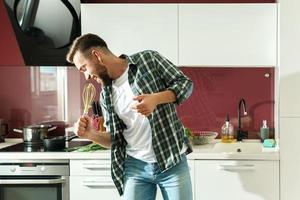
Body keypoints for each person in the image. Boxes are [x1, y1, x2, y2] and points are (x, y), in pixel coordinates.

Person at [67, 33, 194, 200]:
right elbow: (116, 140)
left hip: (171, 160)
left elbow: (185, 84)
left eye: (84, 68)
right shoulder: (106, 94)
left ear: (96, 55)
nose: (86, 77)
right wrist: (91, 134)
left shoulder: (148, 60)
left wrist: (156, 99)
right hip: (136, 167)